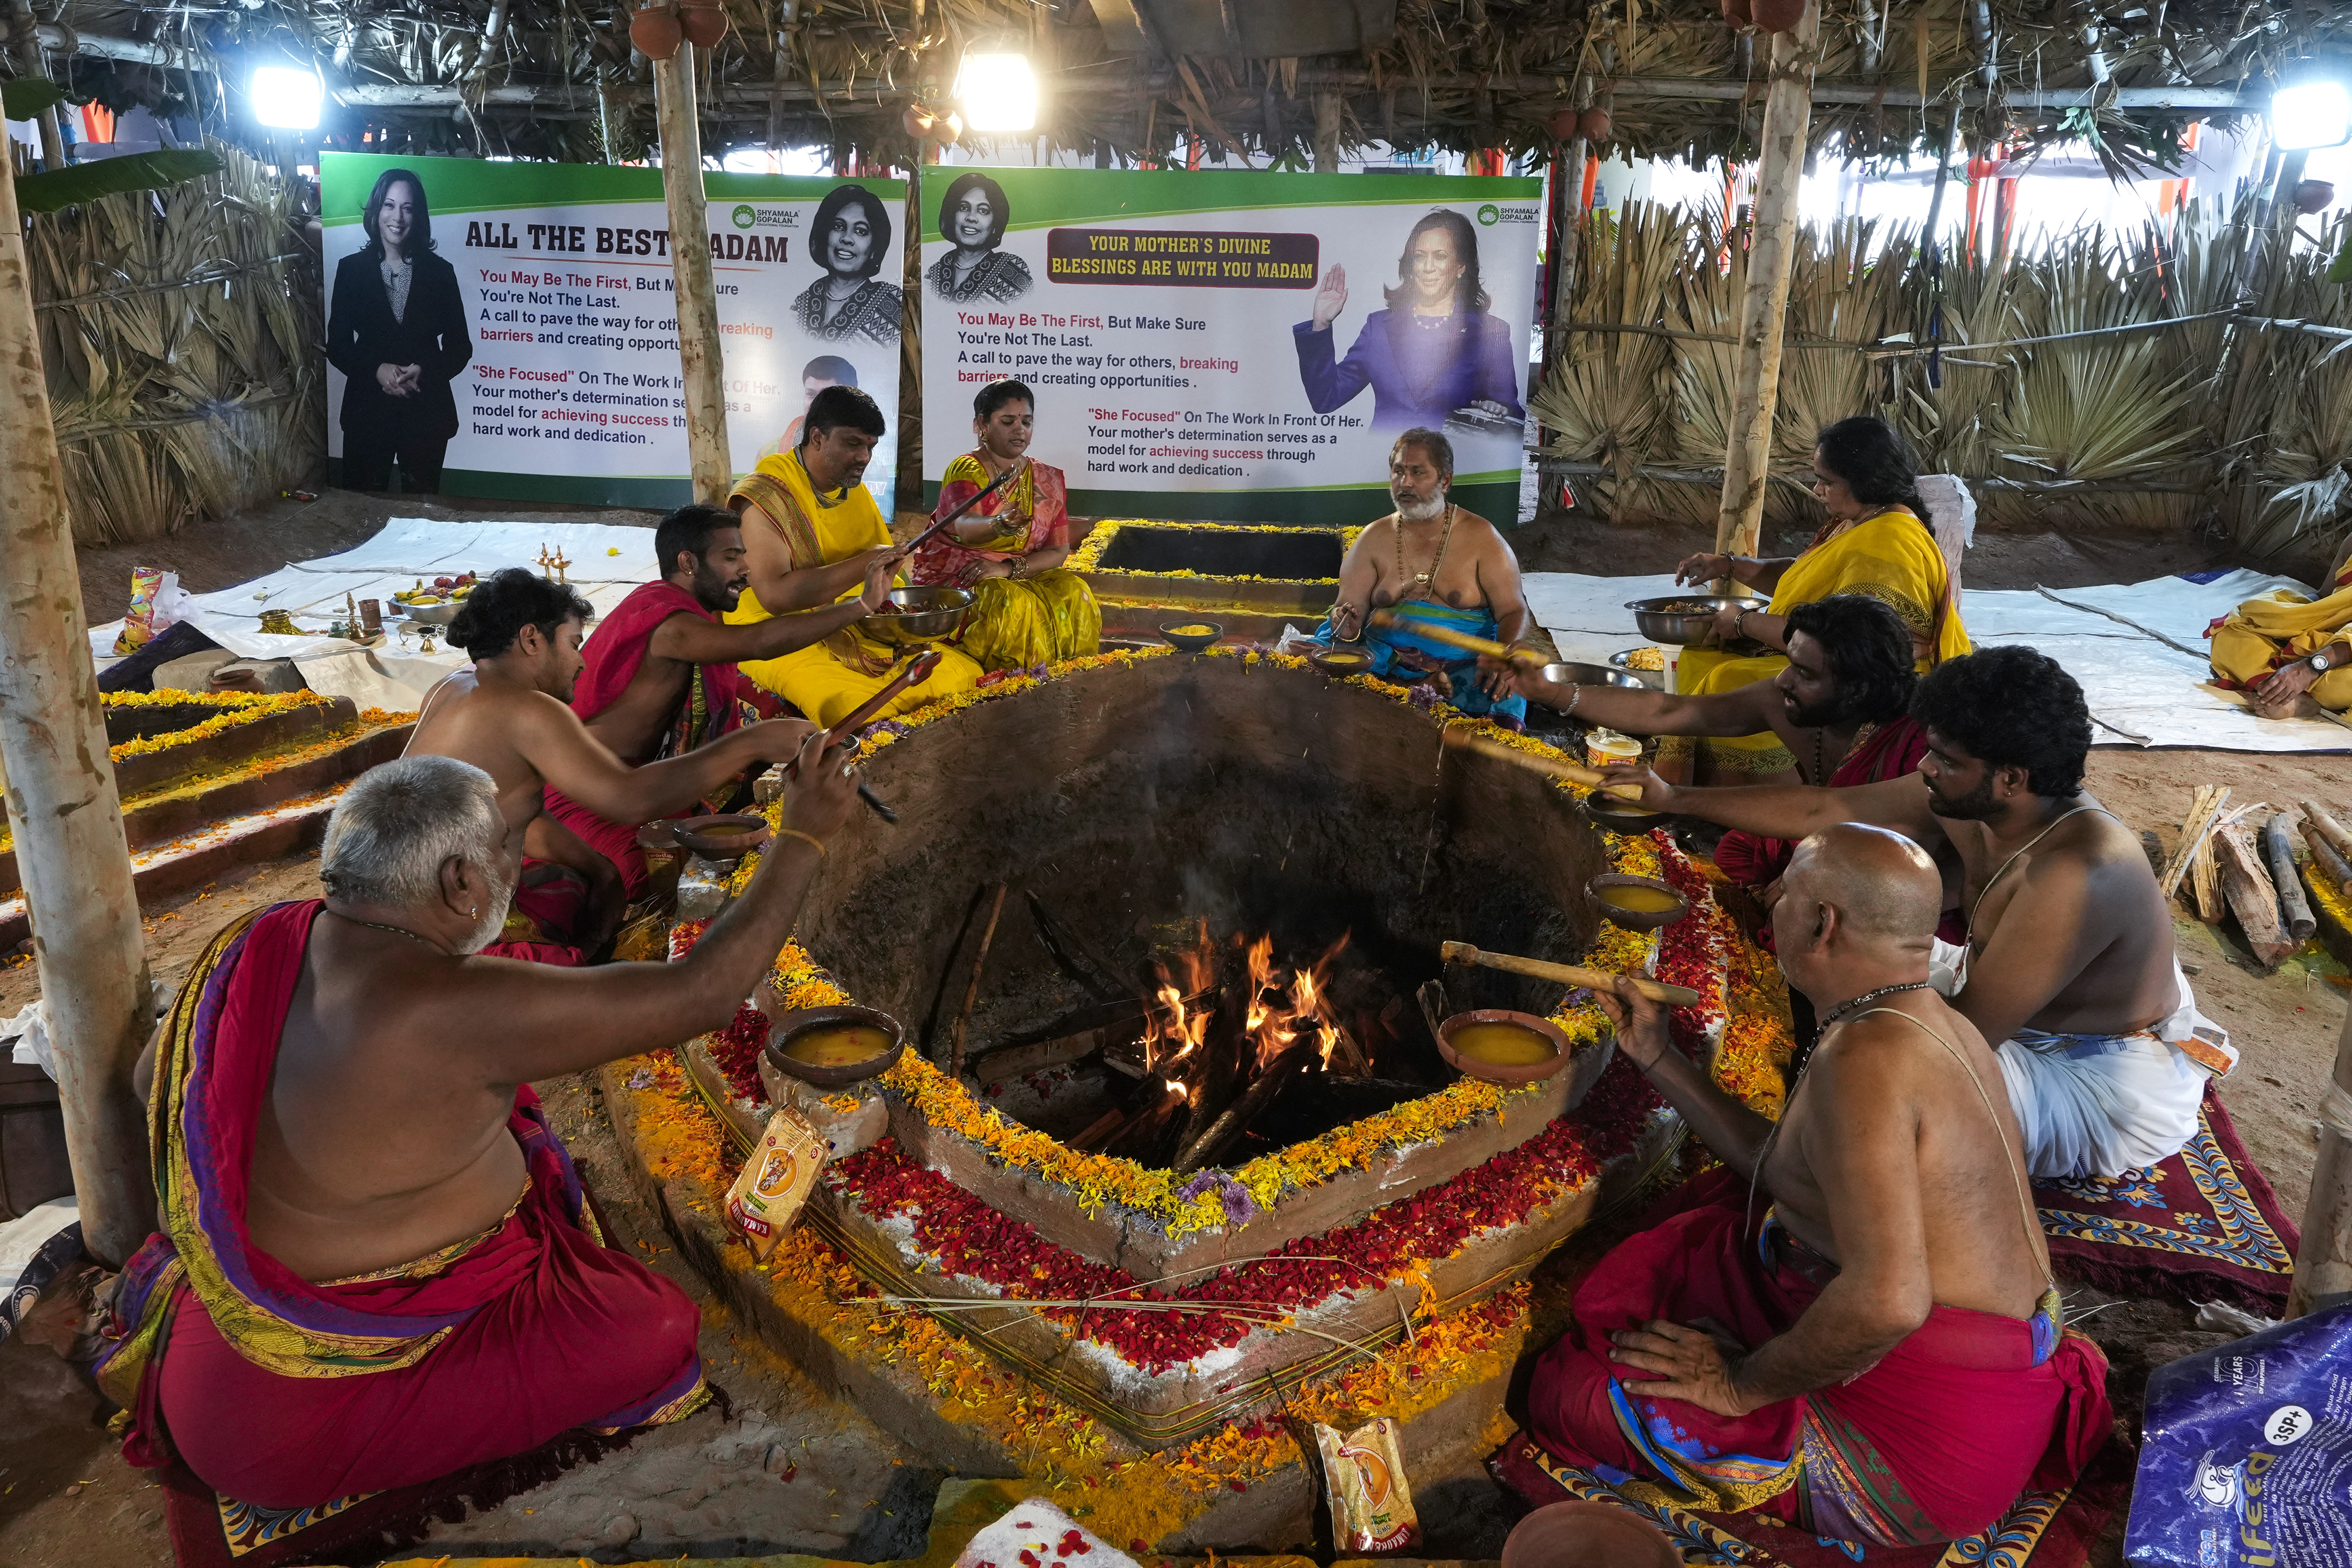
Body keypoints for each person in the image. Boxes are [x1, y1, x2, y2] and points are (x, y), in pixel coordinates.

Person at [96, 744, 863, 1509]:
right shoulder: (455, 1001)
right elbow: (699, 994)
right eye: (509, 844)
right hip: (295, 1415)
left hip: (216, 1345)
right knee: (655, 1326)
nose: (517, 861)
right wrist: (802, 837)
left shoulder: (256, 940)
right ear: (461, 883)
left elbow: (150, 1084)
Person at [1529, 825, 2112, 1548]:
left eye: (1784, 893)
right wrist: (1659, 1057)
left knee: (1573, 1396)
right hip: (1983, 1384)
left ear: (1821, 922)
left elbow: (1890, 1300)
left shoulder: (1867, 1057)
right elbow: (1785, 1168)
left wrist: (1739, 1384)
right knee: (1711, 1219)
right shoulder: (1923, 1018)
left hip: (1921, 1457)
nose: (1769, 903)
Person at [1601, 646, 2236, 1180]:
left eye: (1946, 760)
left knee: (1876, 1098)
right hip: (1994, 991)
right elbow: (1826, 810)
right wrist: (1675, 798)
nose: (1925, 768)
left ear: (2012, 778)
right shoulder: (1972, 795)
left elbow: (1956, 1043)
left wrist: (1848, 1042)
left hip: (2093, 1071)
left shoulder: (2076, 873)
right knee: (1843, 950)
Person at [407, 569, 818, 960]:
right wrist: (751, 742)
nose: (582, 663)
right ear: (532, 640)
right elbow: (632, 799)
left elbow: (512, 810)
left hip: (411, 899)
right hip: (437, 931)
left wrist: (599, 869)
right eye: (573, 645)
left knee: (580, 890)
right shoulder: (526, 708)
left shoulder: (451, 686)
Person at [545, 504, 896, 898]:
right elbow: (759, 643)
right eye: (731, 557)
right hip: (588, 794)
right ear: (688, 562)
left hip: (646, 783)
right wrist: (862, 605)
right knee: (652, 880)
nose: (745, 569)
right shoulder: (668, 622)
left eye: (743, 555)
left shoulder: (689, 616)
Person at [1500, 595, 1933, 903]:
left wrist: (1676, 799)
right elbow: (1671, 711)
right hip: (1828, 836)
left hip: (1904, 882)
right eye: (1789, 664)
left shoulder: (1923, 745)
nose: (1783, 681)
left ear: (1857, 688)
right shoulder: (1786, 698)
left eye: (1804, 672)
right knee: (1737, 853)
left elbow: (1820, 811)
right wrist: (1550, 692)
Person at [1664, 417, 1971, 785]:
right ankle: (1690, 784)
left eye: (1827, 481)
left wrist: (1744, 623)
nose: (1817, 490)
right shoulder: (1859, 520)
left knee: (1732, 677)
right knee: (1700, 658)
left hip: (1868, 679)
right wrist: (1729, 565)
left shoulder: (1891, 540)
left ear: (1864, 481)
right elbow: (1805, 579)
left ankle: (1755, 795)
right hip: (1825, 654)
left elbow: (1857, 646)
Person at [727, 385, 983, 726]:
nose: (864, 457)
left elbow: (884, 585)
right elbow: (776, 597)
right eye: (853, 444)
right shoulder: (766, 496)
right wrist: (866, 565)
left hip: (852, 619)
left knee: (962, 672)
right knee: (848, 708)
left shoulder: (851, 490)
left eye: (870, 447)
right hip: (774, 633)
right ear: (816, 438)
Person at [1317, 428, 1535, 730]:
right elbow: (1344, 616)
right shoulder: (1373, 538)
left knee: (1507, 689)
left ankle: (1427, 690)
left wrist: (1504, 656)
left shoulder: (1483, 538)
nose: (1405, 483)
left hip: (1467, 667)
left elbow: (1514, 610)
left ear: (1445, 481)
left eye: (1418, 472)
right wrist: (1347, 625)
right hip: (1386, 663)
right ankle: (1416, 685)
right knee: (1323, 669)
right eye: (1398, 471)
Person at [909, 378, 1100, 671]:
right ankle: (1010, 686)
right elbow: (964, 525)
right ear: (981, 425)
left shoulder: (1047, 478)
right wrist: (997, 524)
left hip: (1013, 574)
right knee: (1007, 600)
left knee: (1076, 591)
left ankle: (1068, 679)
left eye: (1027, 421)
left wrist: (1008, 569)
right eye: (1008, 421)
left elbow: (1059, 550)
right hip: (964, 576)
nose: (1020, 429)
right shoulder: (966, 469)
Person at [1294, 209, 1524, 432]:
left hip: (1455, 464)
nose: (1428, 267)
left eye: (1441, 257)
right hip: (1384, 462)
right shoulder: (1378, 327)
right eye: (1419, 256)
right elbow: (1326, 398)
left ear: (1461, 266)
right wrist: (1321, 325)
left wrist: (1495, 410)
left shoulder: (1491, 332)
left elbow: (1508, 413)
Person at [326, 168, 472, 493]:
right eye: (389, 205)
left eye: (407, 208)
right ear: (376, 211)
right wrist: (375, 370)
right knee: (360, 516)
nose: (398, 217)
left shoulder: (441, 273)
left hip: (426, 414)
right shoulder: (351, 270)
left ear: (417, 215)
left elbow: (461, 347)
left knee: (420, 521)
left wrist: (426, 372)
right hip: (367, 412)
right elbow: (337, 345)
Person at [2209, 530, 2352, 719]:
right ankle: (2290, 695)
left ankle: (2288, 691)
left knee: (2339, 685)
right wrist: (2286, 617)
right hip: (2324, 639)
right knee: (2232, 631)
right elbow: (2323, 597)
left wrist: (2309, 668)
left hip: (2338, 657)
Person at [794, 183, 902, 344]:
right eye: (838, 226)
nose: (846, 238)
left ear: (875, 247)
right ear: (825, 236)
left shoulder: (892, 302)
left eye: (861, 231)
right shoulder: (800, 305)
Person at [928, 171, 1031, 303]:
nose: (971, 217)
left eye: (983, 210)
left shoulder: (1012, 271)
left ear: (995, 223)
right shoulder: (934, 273)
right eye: (963, 208)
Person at [779, 355, 858, 454]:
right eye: (811, 394)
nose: (816, 405)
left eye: (827, 397)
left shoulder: (860, 438)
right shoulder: (795, 428)